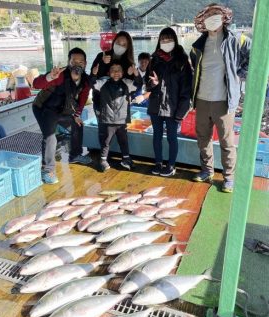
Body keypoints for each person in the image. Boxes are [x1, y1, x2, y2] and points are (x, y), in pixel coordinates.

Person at [191, 3, 251, 192]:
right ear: (203, 19)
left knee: (227, 141)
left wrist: (238, 74)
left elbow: (254, 56)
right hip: (201, 98)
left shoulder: (237, 39)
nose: (213, 18)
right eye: (209, 15)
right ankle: (207, 170)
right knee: (203, 138)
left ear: (224, 17)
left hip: (224, 100)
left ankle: (229, 177)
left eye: (216, 14)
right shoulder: (198, 44)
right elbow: (195, 69)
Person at [33, 47, 92, 184]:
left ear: (85, 63)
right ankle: (47, 170)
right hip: (44, 108)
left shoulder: (85, 80)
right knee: (50, 137)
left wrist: (77, 114)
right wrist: (49, 77)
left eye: (81, 61)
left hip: (62, 110)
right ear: (68, 62)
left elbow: (83, 98)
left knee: (78, 124)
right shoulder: (59, 75)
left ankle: (75, 155)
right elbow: (36, 84)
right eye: (73, 61)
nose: (77, 64)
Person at [146, 27, 192, 177]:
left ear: (175, 40)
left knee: (172, 137)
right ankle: (158, 162)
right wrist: (153, 84)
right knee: (157, 136)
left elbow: (186, 90)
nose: (166, 42)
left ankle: (171, 165)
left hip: (173, 108)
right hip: (155, 105)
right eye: (163, 39)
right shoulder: (154, 60)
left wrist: (181, 112)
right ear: (159, 41)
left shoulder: (182, 61)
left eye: (169, 39)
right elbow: (147, 85)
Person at [91, 60, 142, 172]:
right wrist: (94, 74)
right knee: (106, 142)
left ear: (122, 72)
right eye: (113, 71)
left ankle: (126, 158)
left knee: (124, 141)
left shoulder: (127, 83)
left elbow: (138, 85)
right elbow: (93, 84)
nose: (116, 73)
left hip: (122, 120)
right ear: (109, 73)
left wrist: (136, 74)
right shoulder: (103, 82)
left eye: (118, 70)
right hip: (108, 119)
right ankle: (103, 160)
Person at [91, 31, 135, 149]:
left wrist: (132, 75)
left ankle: (123, 156)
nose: (120, 45)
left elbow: (132, 85)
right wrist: (103, 63)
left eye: (124, 44)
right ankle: (104, 157)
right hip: (101, 102)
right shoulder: (102, 56)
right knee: (103, 131)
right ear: (113, 42)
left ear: (128, 47)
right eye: (118, 42)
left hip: (120, 105)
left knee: (121, 133)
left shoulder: (128, 62)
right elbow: (93, 77)